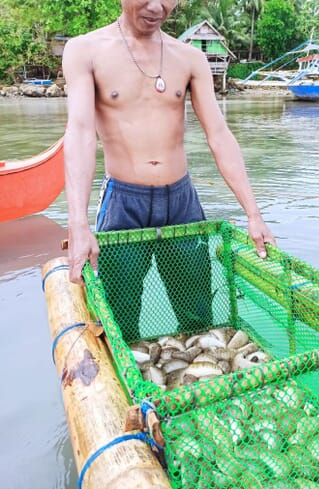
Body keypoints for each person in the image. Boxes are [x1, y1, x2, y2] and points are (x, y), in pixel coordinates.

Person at [63, 0, 276, 337]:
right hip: (123, 203)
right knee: (119, 317)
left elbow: (219, 135)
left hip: (182, 202)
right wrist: (78, 224)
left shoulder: (190, 57)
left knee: (197, 314)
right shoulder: (84, 50)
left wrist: (253, 213)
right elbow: (80, 134)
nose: (157, 6)